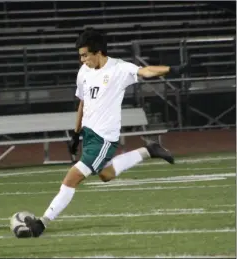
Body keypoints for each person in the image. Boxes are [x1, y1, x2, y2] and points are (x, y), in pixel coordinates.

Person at [24, 29, 189, 237]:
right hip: (89, 135)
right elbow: (83, 102)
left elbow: (146, 71)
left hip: (104, 139)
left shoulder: (119, 69)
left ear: (98, 52)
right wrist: (76, 134)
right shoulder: (83, 72)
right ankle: (150, 150)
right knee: (106, 174)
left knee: (71, 179)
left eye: (85, 55)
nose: (82, 60)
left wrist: (174, 69)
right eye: (80, 56)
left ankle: (43, 222)